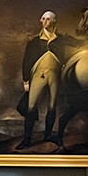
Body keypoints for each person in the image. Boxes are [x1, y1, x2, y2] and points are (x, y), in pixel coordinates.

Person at [18, 10, 72, 150]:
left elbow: (71, 52)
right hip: (38, 75)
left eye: (48, 19)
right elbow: (26, 61)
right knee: (31, 106)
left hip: (55, 76)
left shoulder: (61, 40)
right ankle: (27, 140)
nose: (45, 21)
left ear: (54, 21)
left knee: (52, 105)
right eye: (43, 19)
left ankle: (48, 135)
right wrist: (26, 80)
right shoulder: (34, 42)